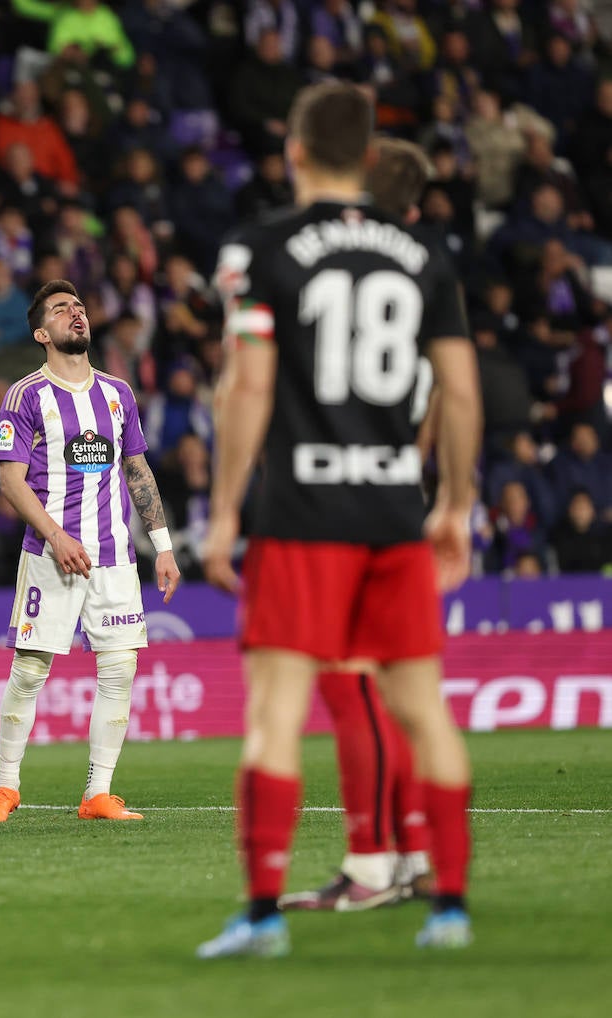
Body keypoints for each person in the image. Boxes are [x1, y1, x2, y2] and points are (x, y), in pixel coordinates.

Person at [198, 83, 481, 958]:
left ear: (292, 151)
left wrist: (222, 511)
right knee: (426, 710)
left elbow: (248, 384)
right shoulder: (423, 252)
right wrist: (456, 506)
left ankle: (261, 916)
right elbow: (462, 391)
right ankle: (449, 908)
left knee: (277, 712)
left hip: (302, 513)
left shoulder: (260, 247)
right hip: (395, 510)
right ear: (368, 157)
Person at [282, 136, 436, 912]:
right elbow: (450, 397)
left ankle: (372, 864)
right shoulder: (427, 273)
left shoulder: (336, 270)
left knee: (351, 691)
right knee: (391, 695)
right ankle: (409, 853)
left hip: (339, 506)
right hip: (401, 500)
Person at [0, 279, 182, 825]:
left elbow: (136, 469)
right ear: (42, 333)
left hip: (113, 557)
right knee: (31, 669)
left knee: (120, 668)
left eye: (80, 306)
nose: (77, 313)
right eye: (62, 309)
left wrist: (162, 546)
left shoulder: (117, 393)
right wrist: (55, 535)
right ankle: (6, 787)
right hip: (51, 555)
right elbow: (10, 481)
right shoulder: (26, 396)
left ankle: (98, 793)